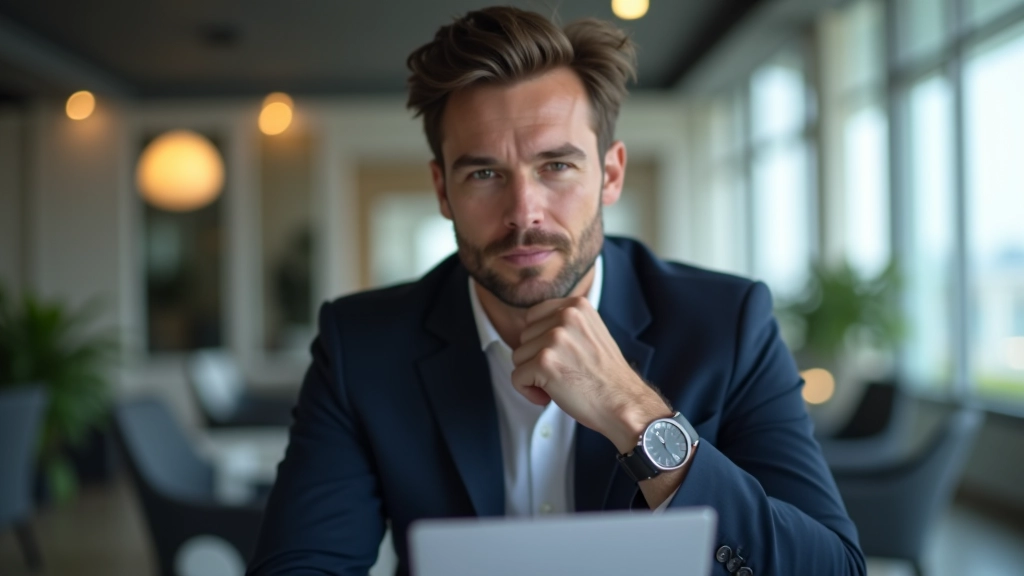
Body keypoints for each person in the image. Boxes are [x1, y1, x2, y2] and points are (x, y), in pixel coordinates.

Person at [248, 7, 864, 576]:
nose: (524, 212)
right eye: (484, 172)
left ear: (611, 173)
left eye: (557, 166)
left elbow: (831, 568)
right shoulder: (361, 345)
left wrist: (633, 412)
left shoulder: (727, 324)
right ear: (443, 190)